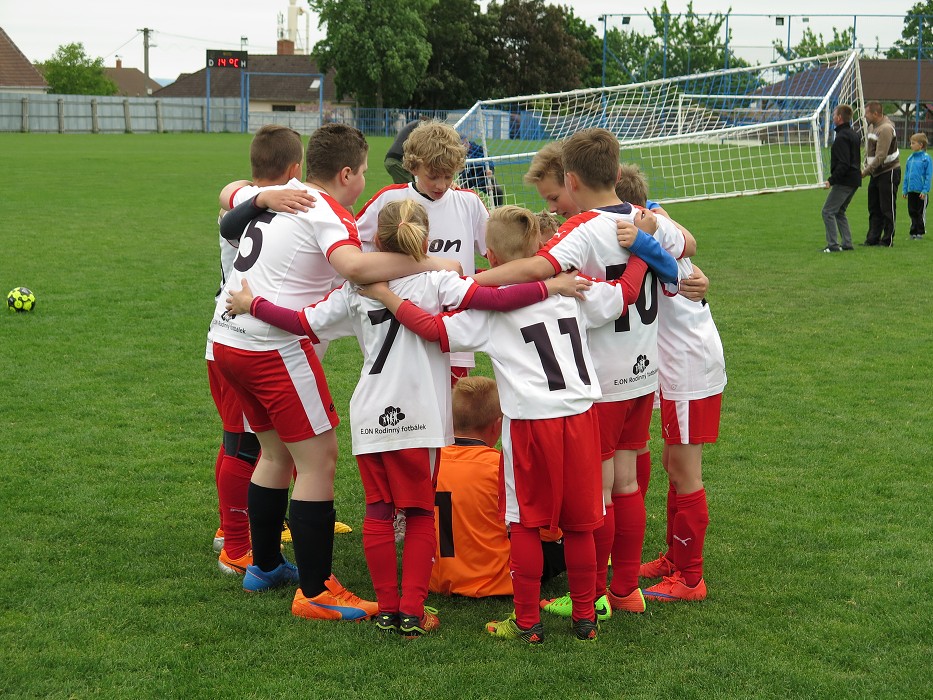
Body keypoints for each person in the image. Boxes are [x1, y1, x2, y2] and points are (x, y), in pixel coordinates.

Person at [226, 199, 583, 635]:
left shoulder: (354, 289)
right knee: (417, 514)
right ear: (425, 239)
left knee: (378, 512)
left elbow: (301, 320)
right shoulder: (436, 283)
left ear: (377, 242)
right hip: (420, 415)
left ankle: (387, 608)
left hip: (371, 411)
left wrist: (252, 303)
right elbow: (492, 297)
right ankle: (412, 612)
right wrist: (552, 287)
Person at [360, 205, 652, 644]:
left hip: (532, 424)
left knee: (525, 523)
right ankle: (584, 618)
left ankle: (528, 621)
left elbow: (429, 328)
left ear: (492, 259)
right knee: (580, 523)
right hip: (581, 417)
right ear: (540, 249)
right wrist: (642, 250)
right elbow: (627, 292)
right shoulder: (575, 288)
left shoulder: (489, 313)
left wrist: (386, 295)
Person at [209, 123, 458, 622]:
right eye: (363, 172)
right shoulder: (326, 210)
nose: (364, 180)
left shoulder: (282, 193)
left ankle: (264, 566)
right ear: (346, 173)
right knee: (319, 458)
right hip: (270, 344)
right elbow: (354, 268)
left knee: (275, 452)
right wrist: (430, 263)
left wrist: (257, 199)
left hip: (226, 338)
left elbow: (229, 200)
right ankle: (317, 589)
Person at [474, 130, 687, 624]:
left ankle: (593, 596)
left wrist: (465, 281)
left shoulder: (584, 229)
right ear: (617, 173)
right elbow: (688, 244)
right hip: (643, 370)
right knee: (630, 483)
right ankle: (626, 589)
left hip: (599, 381)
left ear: (571, 179)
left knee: (603, 491)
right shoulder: (646, 217)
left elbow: (536, 269)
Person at [613, 165, 726, 603]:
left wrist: (648, 230)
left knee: (684, 471)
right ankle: (675, 560)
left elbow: (680, 259)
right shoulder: (655, 225)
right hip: (683, 363)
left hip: (686, 367)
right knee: (673, 468)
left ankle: (690, 578)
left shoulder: (651, 230)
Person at [208, 125, 313, 576]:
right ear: (295, 169)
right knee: (242, 441)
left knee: (270, 439)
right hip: (239, 335)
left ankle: (271, 523)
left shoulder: (267, 201)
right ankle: (233, 545)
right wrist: (264, 198)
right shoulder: (251, 202)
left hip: (253, 336)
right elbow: (228, 193)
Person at [356, 119, 489, 383]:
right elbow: (353, 247)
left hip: (454, 330)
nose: (441, 184)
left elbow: (497, 251)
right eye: (433, 176)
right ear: (414, 166)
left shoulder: (469, 203)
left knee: (451, 414)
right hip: (397, 327)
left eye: (448, 176)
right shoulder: (389, 199)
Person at [429, 376, 566, 598]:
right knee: (561, 536)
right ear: (498, 425)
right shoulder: (499, 466)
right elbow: (548, 532)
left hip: (434, 578)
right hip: (494, 580)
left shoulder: (430, 461)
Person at [821, 104, 861, 253]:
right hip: (854, 180)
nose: (832, 118)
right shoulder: (854, 134)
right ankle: (847, 243)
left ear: (839, 118)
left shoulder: (842, 138)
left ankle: (832, 245)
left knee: (827, 211)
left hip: (845, 181)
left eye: (833, 115)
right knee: (839, 211)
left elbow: (844, 163)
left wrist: (831, 180)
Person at [861, 101, 901, 247]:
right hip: (876, 173)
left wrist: (865, 172)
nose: (864, 116)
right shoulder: (872, 126)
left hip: (888, 171)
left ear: (875, 114)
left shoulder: (885, 129)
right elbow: (870, 151)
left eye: (867, 113)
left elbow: (881, 156)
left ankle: (887, 239)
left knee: (887, 207)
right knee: (874, 207)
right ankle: (872, 238)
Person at [902, 132, 932, 240]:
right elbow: (906, 175)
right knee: (912, 211)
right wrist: (905, 190)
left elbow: (928, 176)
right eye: (911, 143)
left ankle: (920, 232)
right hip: (911, 190)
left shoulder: (926, 159)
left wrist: (924, 191)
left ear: (921, 145)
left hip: (921, 192)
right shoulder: (910, 158)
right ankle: (913, 232)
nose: (911, 145)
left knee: (920, 212)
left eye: (913, 143)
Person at [461, 137, 505, 207]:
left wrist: (490, 171)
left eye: (466, 143)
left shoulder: (478, 149)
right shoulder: (458, 152)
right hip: (467, 176)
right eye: (462, 144)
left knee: (497, 192)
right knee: (464, 196)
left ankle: (498, 211)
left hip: (481, 176)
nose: (465, 146)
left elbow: (489, 162)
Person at [383, 117, 424, 184]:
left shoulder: (410, 126)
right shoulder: (419, 125)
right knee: (410, 190)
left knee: (411, 188)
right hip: (397, 161)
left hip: (394, 160)